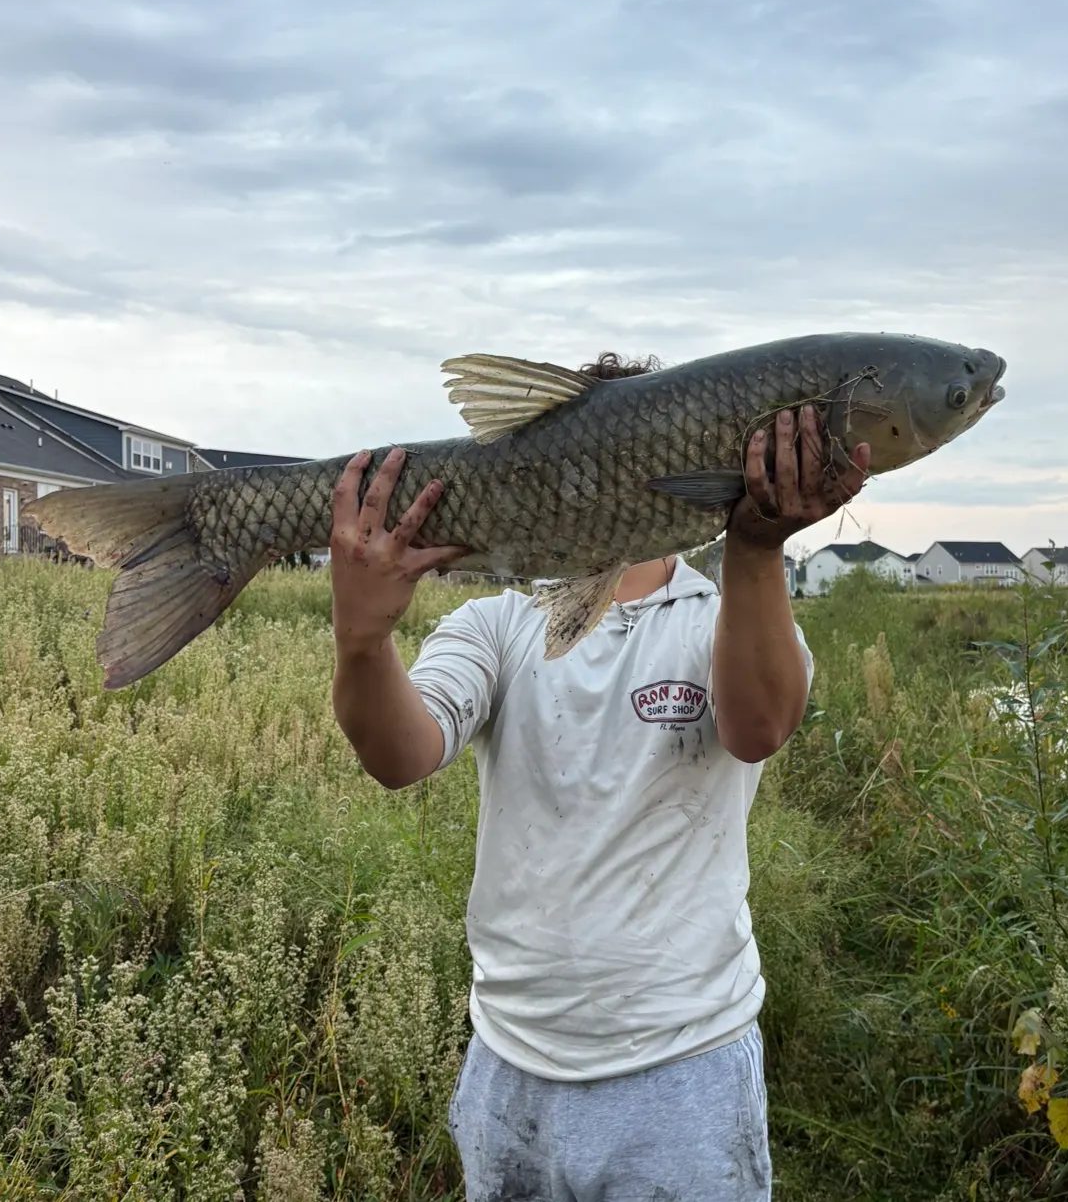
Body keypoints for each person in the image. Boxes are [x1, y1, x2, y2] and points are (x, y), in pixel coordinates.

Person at [328, 357, 870, 1202]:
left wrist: (756, 546)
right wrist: (362, 641)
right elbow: (401, 755)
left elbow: (757, 726)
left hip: (683, 1069)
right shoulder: (499, 623)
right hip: (509, 1059)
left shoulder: (721, 615)